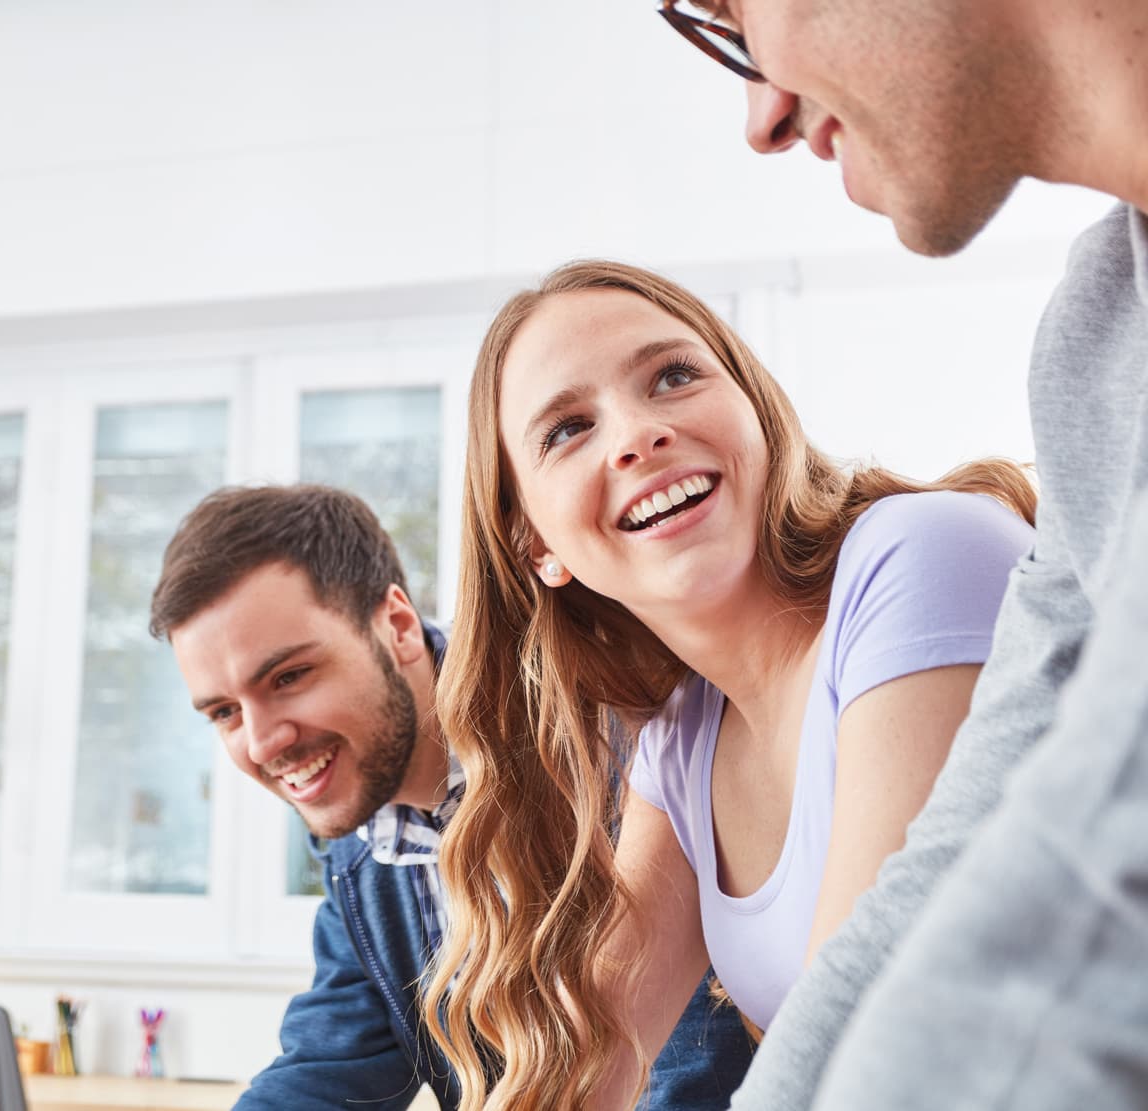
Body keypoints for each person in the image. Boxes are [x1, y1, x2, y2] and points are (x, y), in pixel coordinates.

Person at [653, 2, 1148, 1109]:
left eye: (735, 16)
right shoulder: (1098, 331)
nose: (762, 117)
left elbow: (1100, 885)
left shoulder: (918, 556)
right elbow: (967, 844)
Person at [422, 259, 1036, 1109]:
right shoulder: (684, 737)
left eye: (673, 376)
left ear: (756, 410)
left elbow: (861, 1051)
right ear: (537, 545)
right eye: (567, 428)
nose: (637, 435)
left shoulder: (922, 558)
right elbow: (580, 1068)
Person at [148, 483, 754, 1111]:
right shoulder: (361, 844)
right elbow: (333, 1067)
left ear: (399, 627)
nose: (263, 740)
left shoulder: (602, 727)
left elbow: (689, 1057)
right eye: (223, 712)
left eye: (289, 677)